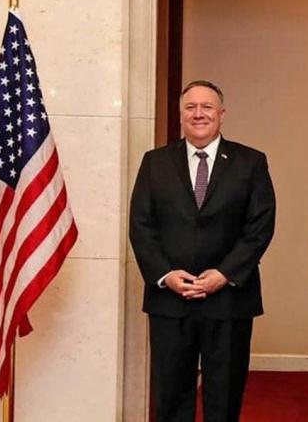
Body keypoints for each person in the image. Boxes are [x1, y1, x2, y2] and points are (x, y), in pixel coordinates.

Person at [129, 80, 276, 422]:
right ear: (180, 115)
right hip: (170, 301)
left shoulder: (250, 162)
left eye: (207, 107)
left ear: (222, 114)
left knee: (224, 398)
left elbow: (259, 227)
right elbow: (141, 226)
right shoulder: (155, 162)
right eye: (190, 107)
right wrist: (166, 275)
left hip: (229, 301)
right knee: (170, 397)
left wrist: (223, 274)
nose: (198, 114)